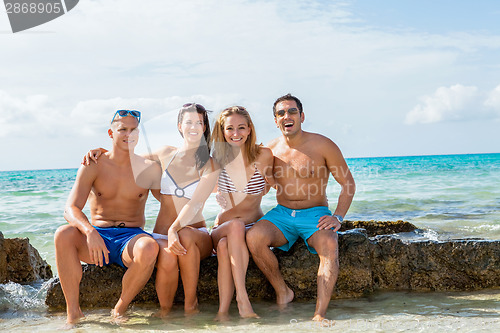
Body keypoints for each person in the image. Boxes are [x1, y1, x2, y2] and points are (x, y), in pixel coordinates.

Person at [84, 104, 218, 317]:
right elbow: (125, 156)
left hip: (195, 234)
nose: (194, 126)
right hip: (161, 233)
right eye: (189, 122)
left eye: (199, 122)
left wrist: (174, 229)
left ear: (204, 128)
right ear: (179, 126)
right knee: (166, 256)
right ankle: (165, 315)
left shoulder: (210, 165)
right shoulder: (165, 154)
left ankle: (190, 305)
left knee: (184, 236)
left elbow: (195, 205)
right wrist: (101, 151)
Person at [246, 94, 356, 322]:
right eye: (281, 113)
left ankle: (319, 314)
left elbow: (348, 183)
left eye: (292, 111)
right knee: (254, 237)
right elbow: (262, 188)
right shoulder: (269, 150)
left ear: (302, 116)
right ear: (275, 121)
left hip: (315, 213)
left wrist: (338, 217)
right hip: (282, 213)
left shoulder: (323, 144)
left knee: (329, 242)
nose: (287, 116)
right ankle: (283, 292)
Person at [54, 110, 162, 327]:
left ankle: (119, 309)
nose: (128, 134)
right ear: (111, 133)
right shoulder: (94, 163)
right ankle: (73, 313)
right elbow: (70, 208)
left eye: (133, 130)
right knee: (62, 234)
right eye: (122, 129)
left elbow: (171, 203)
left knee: (149, 247)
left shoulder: (149, 168)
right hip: (98, 234)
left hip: (131, 237)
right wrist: (89, 231)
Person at [210, 106, 274, 320]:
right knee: (234, 227)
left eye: (241, 127)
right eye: (230, 128)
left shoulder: (264, 155)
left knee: (223, 246)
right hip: (224, 227)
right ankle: (242, 299)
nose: (235, 133)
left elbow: (273, 184)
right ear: (222, 131)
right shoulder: (216, 159)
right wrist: (105, 151)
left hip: (253, 226)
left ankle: (222, 313)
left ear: (249, 130)